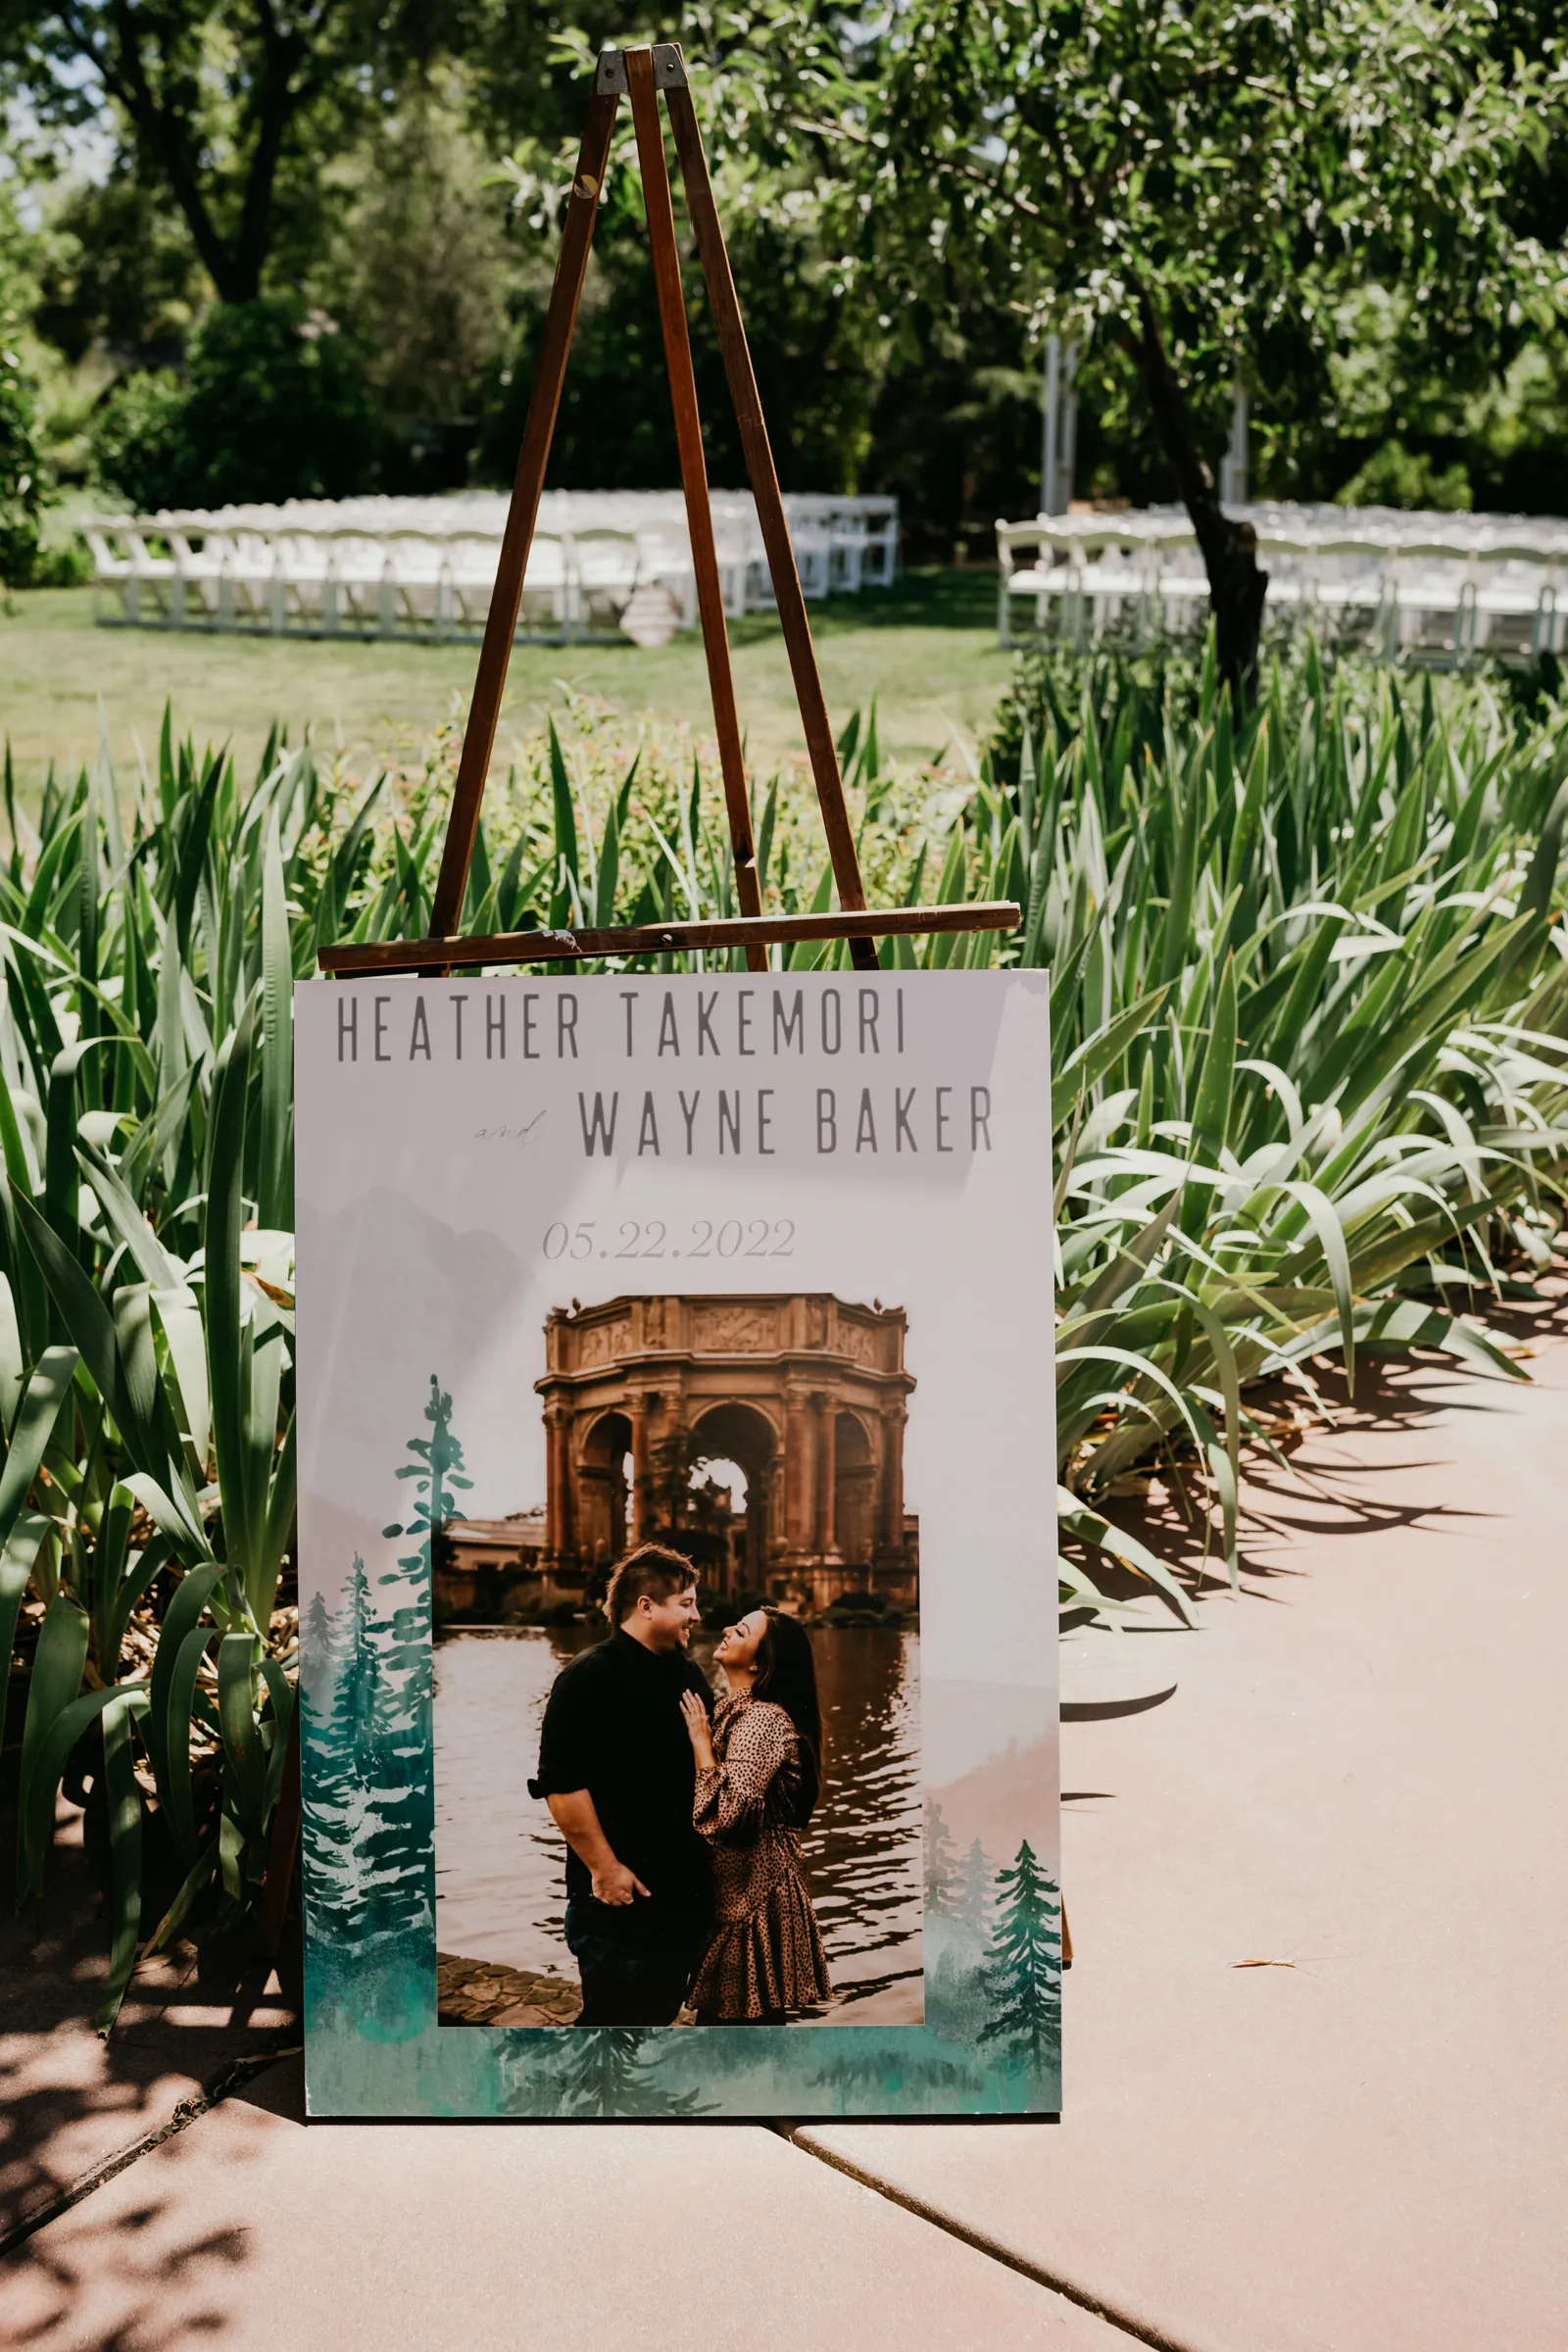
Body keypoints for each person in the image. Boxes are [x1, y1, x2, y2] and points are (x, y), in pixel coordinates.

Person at [529, 1544, 713, 2028]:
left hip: (683, 1892)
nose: (696, 1615)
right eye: (687, 1603)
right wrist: (606, 1869)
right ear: (646, 1606)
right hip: (617, 1898)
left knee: (657, 2015)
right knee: (614, 2025)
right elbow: (561, 1787)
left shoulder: (689, 1673)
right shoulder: (587, 1677)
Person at [678, 1606, 832, 2024]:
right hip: (738, 1890)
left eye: (741, 1630)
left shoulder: (762, 1720)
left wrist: (700, 1743)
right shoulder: (737, 1710)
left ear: (760, 1662)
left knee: (741, 2028)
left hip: (755, 1896)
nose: (727, 1629)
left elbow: (727, 1813)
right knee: (738, 2025)